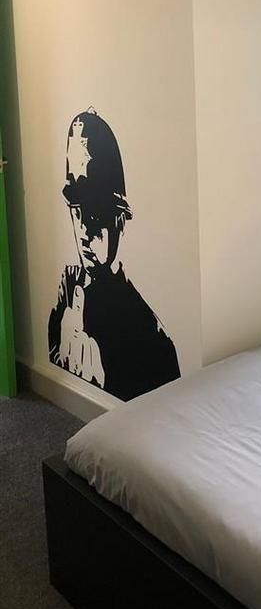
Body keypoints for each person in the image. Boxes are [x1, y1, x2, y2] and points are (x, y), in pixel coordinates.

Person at [48, 109, 180, 401]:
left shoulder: (153, 340)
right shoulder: (65, 303)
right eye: (76, 211)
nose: (84, 230)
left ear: (120, 220)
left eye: (95, 213)